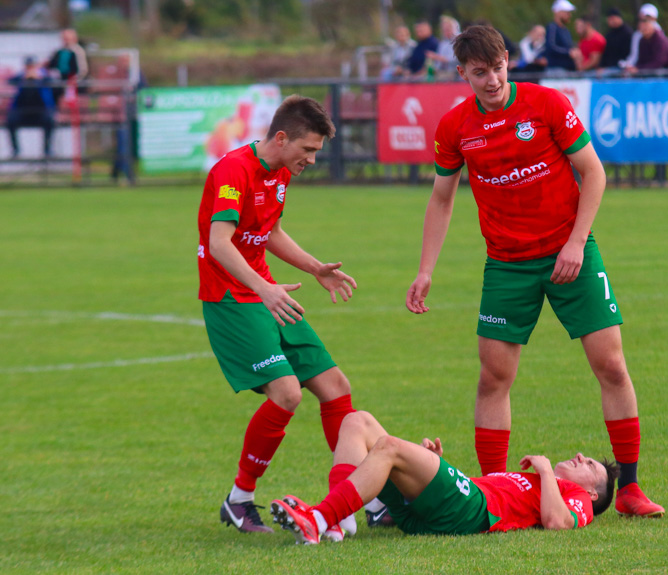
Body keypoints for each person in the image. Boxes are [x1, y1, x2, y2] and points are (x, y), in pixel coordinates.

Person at [405, 25, 665, 518]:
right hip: (507, 264)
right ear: (462, 73)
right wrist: (425, 270)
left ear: (508, 59)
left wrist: (574, 243)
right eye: (479, 73)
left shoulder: (546, 104)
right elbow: (441, 199)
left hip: (572, 253)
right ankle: (488, 490)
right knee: (493, 378)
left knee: (611, 366)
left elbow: (594, 173)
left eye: (498, 67)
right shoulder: (456, 126)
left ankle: (629, 488)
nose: (492, 80)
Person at [197, 95, 360, 533]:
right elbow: (219, 243)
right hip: (231, 298)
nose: (311, 159)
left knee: (335, 387)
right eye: (307, 150)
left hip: (265, 291)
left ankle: (352, 496)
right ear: (282, 138)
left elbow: (269, 232)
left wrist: (314, 267)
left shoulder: (281, 173)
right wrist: (264, 288)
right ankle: (239, 500)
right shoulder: (233, 170)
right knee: (287, 393)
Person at [269, 410, 620, 543]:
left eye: (590, 465)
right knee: (355, 421)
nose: (580, 457)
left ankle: (318, 518)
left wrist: (545, 469)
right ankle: (336, 523)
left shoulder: (574, 499)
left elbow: (557, 523)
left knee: (389, 447)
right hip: (457, 500)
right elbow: (469, 489)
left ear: (591, 494)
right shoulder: (549, 487)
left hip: (471, 509)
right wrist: (433, 466)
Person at [6, 56, 56, 158]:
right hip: (23, 113)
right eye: (28, 66)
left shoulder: (43, 76)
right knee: (10, 121)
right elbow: (10, 81)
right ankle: (16, 151)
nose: (30, 68)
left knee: (50, 121)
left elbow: (52, 82)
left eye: (32, 66)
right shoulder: (21, 76)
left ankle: (47, 151)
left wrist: (39, 78)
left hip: (40, 112)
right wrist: (23, 78)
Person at [625, 9, 668, 73]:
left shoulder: (661, 40)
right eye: (642, 28)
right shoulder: (642, 41)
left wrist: (638, 69)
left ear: (652, 26)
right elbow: (641, 60)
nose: (644, 29)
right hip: (651, 74)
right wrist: (633, 68)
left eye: (646, 27)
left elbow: (659, 62)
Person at [46, 28, 88, 97]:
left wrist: (74, 79)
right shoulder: (59, 51)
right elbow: (51, 64)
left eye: (67, 38)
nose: (65, 41)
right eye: (63, 38)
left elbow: (83, 70)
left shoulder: (78, 51)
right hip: (60, 80)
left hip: (74, 82)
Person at [545, 0, 577, 74]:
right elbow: (551, 46)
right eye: (567, 13)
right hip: (556, 70)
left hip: (567, 70)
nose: (569, 15)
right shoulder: (552, 27)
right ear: (558, 12)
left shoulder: (565, 30)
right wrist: (568, 52)